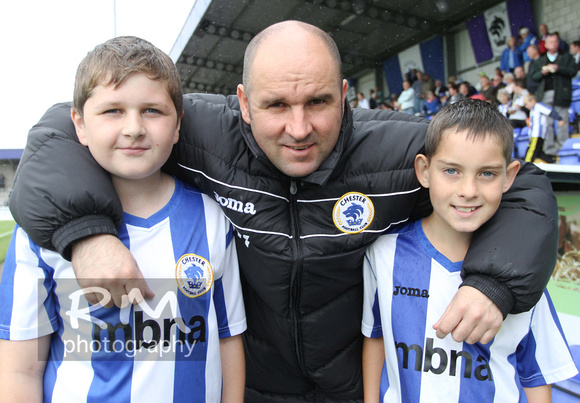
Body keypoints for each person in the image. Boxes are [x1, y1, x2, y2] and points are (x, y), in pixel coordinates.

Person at [9, 21, 559, 402]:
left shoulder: (398, 151)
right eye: (275, 106)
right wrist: (85, 232)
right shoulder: (194, 132)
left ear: (345, 95)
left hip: (353, 391)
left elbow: (523, 182)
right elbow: (63, 125)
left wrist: (493, 283)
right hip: (254, 390)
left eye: (318, 102)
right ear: (243, 102)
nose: (298, 129)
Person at [0, 36, 246, 402]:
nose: (134, 128)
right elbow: (20, 369)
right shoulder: (40, 235)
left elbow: (227, 337)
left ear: (177, 125)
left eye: (152, 111)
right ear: (79, 124)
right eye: (113, 111)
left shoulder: (211, 218)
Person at [361, 99, 578, 402]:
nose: (468, 190)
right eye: (451, 170)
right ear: (424, 170)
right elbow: (375, 338)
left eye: (487, 174)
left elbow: (536, 374)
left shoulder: (524, 271)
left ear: (509, 176)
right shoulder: (383, 253)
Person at [530, 33, 577, 155]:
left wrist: (558, 68)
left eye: (555, 41)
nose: (553, 44)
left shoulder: (566, 57)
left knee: (562, 121)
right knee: (547, 123)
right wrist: (542, 72)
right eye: (550, 42)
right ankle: (549, 152)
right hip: (545, 94)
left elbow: (573, 71)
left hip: (562, 93)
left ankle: (565, 150)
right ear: (545, 44)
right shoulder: (540, 60)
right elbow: (533, 76)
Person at [523, 93, 566, 163]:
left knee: (530, 153)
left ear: (533, 100)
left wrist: (559, 119)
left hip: (537, 134)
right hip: (534, 135)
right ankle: (552, 161)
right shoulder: (532, 110)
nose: (526, 106)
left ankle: (525, 167)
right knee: (539, 153)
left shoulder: (538, 106)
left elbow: (549, 111)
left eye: (526, 104)